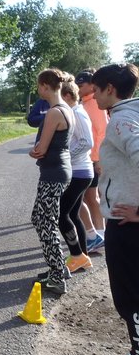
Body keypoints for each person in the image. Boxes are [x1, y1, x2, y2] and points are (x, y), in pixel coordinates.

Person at [90, 63, 139, 355]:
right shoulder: (131, 113)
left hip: (128, 222)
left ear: (110, 89)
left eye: (95, 89)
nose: (92, 95)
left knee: (131, 299)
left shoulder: (121, 120)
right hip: (125, 219)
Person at [28, 69, 74, 295]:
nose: (38, 90)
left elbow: (40, 149)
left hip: (53, 174)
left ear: (45, 86)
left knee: (46, 222)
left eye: (39, 86)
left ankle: (57, 276)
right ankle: (59, 268)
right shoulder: (67, 108)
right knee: (40, 218)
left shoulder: (54, 113)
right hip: (59, 171)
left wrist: (34, 151)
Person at [57, 79, 94, 274]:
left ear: (68, 96)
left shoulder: (78, 113)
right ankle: (82, 257)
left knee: (61, 214)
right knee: (72, 214)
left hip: (80, 172)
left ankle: (78, 255)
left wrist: (65, 155)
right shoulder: (74, 112)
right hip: (80, 171)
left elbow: (87, 142)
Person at [75, 69, 108, 252]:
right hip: (89, 157)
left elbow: (101, 131)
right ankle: (97, 234)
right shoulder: (86, 102)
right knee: (90, 197)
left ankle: (100, 234)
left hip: (93, 158)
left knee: (92, 197)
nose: (78, 89)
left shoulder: (95, 103)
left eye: (81, 86)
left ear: (91, 85)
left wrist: (97, 158)